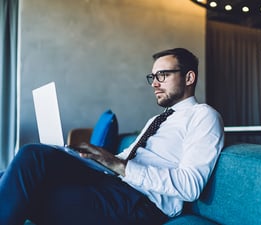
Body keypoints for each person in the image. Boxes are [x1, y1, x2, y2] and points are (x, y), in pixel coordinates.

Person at [0, 48, 224, 225]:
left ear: (189, 77)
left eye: (163, 75)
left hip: (141, 203)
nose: (155, 83)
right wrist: (94, 158)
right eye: (153, 76)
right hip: (113, 184)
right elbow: (126, 158)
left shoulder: (204, 116)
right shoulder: (157, 120)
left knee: (27, 174)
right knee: (30, 161)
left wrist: (120, 166)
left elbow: (190, 186)